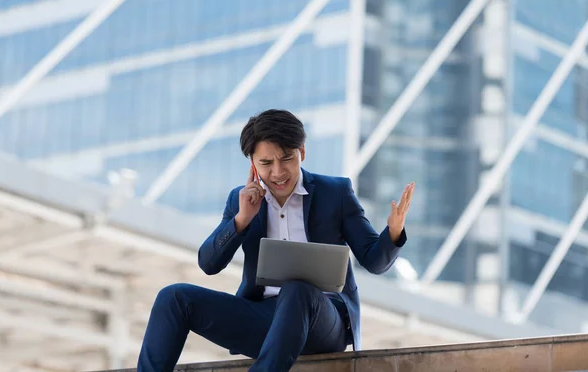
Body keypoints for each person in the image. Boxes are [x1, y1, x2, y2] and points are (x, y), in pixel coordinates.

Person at [137, 109, 415, 372]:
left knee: (297, 289)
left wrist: (393, 233)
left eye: (286, 159)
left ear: (301, 153)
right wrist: (241, 220)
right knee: (173, 297)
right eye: (266, 164)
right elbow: (208, 264)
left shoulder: (335, 193)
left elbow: (374, 260)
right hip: (264, 320)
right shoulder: (241, 199)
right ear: (253, 164)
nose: (278, 173)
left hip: (323, 320)